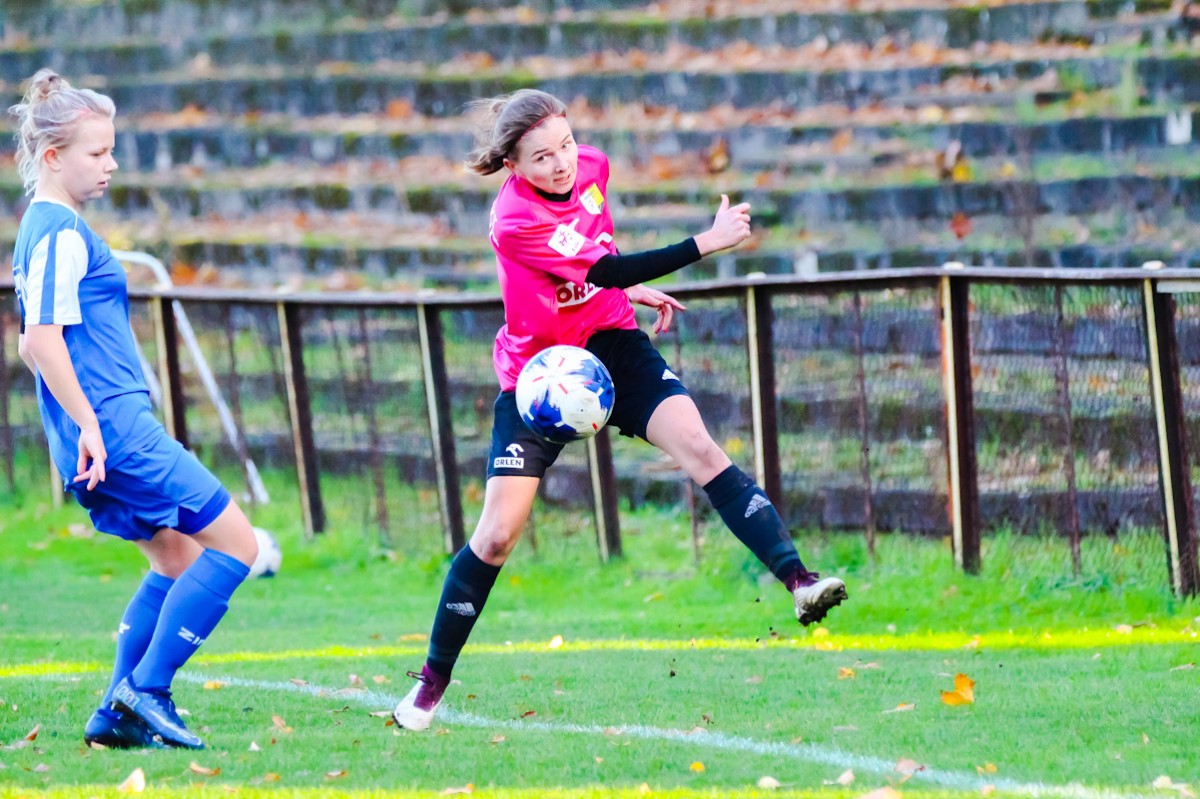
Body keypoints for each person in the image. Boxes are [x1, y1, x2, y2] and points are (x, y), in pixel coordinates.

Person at [392, 89, 848, 732]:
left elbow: (594, 261)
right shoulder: (515, 218)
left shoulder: (595, 168)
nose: (562, 163)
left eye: (566, 145)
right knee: (496, 536)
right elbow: (600, 265)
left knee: (700, 448)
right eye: (542, 157)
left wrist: (629, 291)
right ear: (513, 164)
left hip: (611, 341)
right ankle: (431, 682)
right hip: (541, 373)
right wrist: (705, 242)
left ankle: (799, 580)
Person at [9, 69, 258, 751]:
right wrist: (92, 423)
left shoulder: (41, 228)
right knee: (237, 545)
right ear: (52, 156)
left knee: (175, 558)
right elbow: (39, 341)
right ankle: (147, 689)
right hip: (116, 430)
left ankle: (114, 715)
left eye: (112, 150)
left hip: (99, 430)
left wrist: (79, 424)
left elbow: (34, 343)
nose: (111, 164)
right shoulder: (59, 232)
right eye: (98, 152)